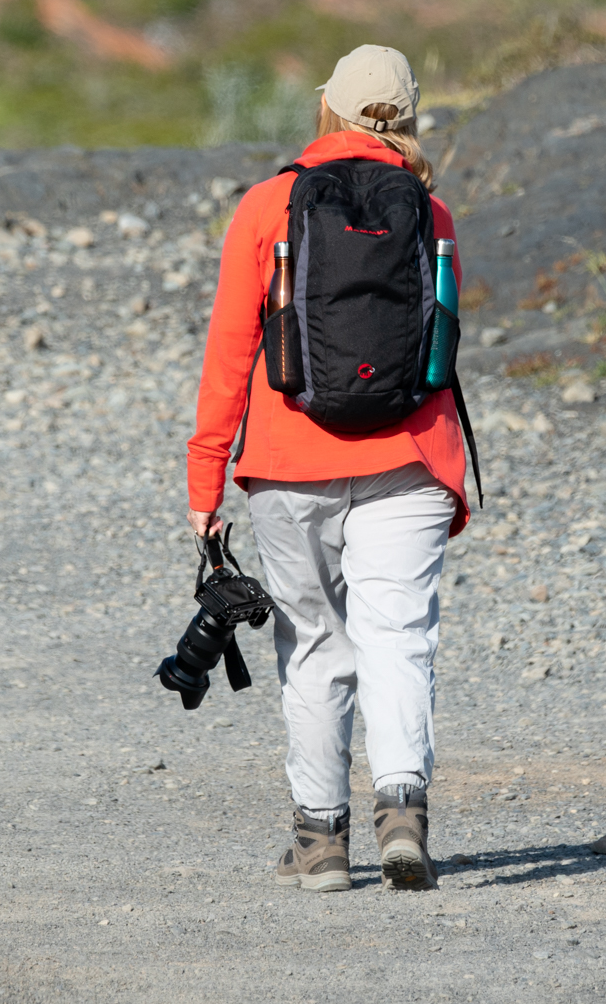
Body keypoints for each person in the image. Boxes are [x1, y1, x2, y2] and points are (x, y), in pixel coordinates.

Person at [185, 44, 469, 892]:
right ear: (409, 117)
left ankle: (320, 841)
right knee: (399, 637)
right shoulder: (432, 214)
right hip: (411, 459)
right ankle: (402, 809)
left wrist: (206, 487)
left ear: (329, 112)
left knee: (313, 648)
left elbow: (231, 354)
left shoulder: (267, 205)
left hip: (287, 463)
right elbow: (439, 344)